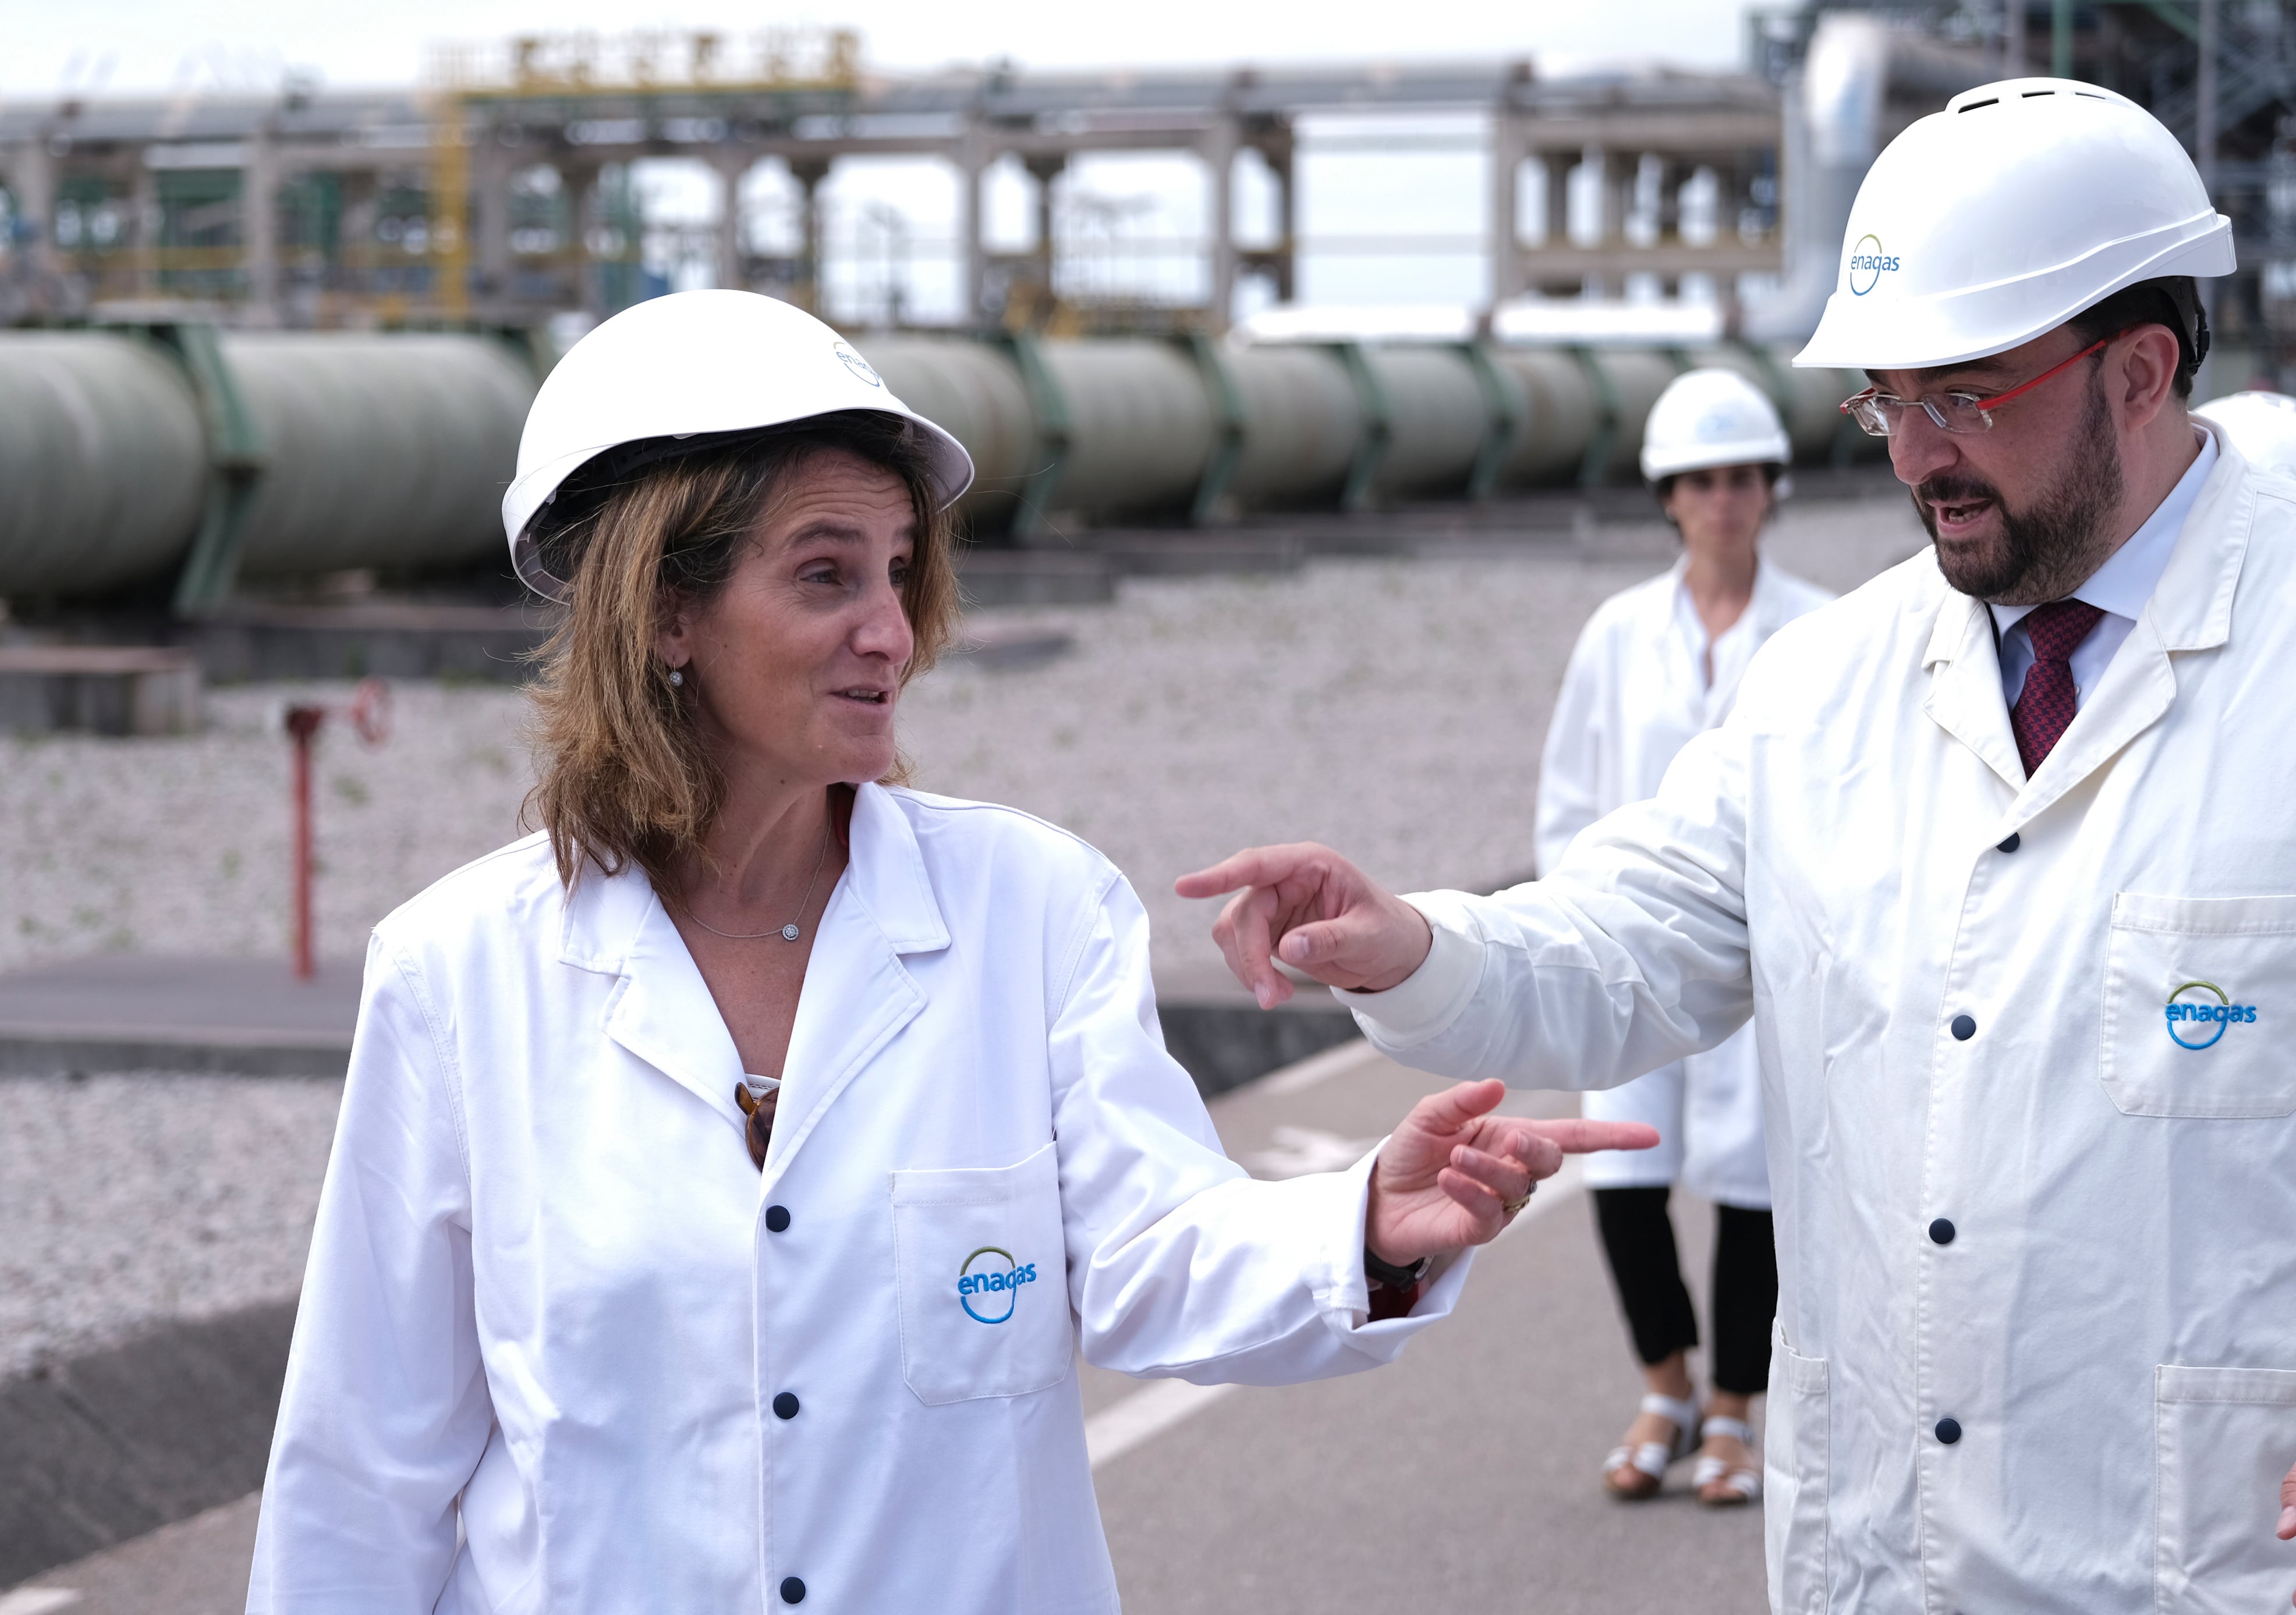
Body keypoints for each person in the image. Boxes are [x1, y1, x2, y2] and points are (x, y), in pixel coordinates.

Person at [245, 290, 1653, 1613]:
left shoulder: (1029, 911)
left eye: (901, 572)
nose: (890, 631)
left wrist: (1362, 1230)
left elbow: (1150, 1248)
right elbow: (367, 1464)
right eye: (824, 574)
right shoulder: (456, 976)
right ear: (663, 612)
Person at [1179, 78, 2296, 1613]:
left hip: (2207, 1558)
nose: (1914, 454)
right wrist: (1421, 943)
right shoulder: (1827, 687)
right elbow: (1624, 942)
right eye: (1882, 398)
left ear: (2142, 370)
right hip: (1885, 1556)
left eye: (1961, 394)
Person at [1542, 368, 1831, 1506]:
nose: (1724, 499)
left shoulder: (1818, 631)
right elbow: (1570, 795)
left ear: (1770, 489)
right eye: (1702, 481)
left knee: (1755, 1184)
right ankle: (1662, 1386)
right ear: (1668, 496)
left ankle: (1732, 1410)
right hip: (1628, 944)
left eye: (1744, 478)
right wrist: (1572, 925)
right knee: (1624, 1167)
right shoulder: (1617, 634)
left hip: (1763, 952)